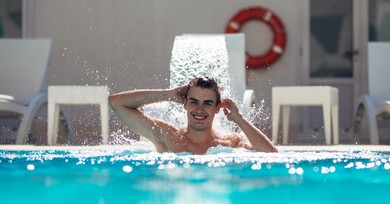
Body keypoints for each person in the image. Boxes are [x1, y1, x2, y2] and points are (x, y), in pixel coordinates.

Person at [109, 77, 277, 154]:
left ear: (217, 108)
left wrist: (239, 118)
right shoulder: (168, 136)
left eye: (208, 103)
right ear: (185, 104)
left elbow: (271, 154)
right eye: (194, 101)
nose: (199, 109)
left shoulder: (230, 142)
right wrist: (168, 94)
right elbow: (116, 103)